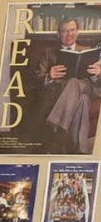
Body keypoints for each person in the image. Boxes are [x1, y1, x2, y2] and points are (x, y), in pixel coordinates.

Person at [35, 17, 101, 153]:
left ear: (77, 31)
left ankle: (55, 125)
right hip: (61, 95)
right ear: (58, 34)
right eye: (64, 31)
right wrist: (49, 76)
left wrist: (97, 74)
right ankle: (80, 150)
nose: (69, 34)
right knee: (82, 99)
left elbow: (97, 84)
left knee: (75, 83)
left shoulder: (88, 51)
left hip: (86, 86)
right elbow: (36, 79)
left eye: (72, 30)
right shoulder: (48, 53)